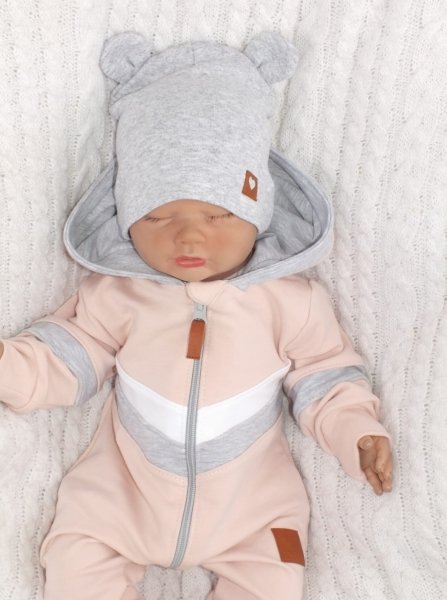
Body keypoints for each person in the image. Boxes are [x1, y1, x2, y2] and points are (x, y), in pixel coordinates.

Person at [0, 30, 393, 600]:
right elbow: (66, 358)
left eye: (219, 215)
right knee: (75, 556)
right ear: (126, 219)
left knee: (276, 574)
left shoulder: (292, 301)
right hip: (121, 496)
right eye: (158, 217)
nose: (189, 236)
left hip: (252, 506)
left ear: (259, 213)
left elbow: (327, 380)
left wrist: (359, 433)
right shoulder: (117, 293)